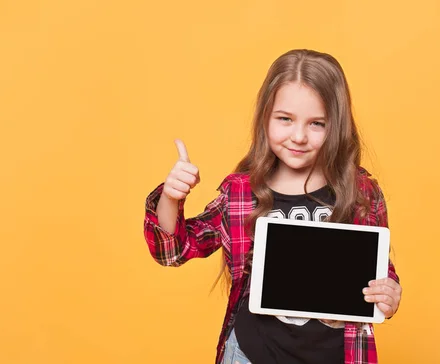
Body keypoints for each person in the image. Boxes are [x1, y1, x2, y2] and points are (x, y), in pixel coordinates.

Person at [143, 49, 403, 364]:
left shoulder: (361, 192)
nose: (299, 136)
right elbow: (174, 251)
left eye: (317, 123)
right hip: (252, 355)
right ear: (265, 116)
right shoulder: (240, 193)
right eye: (285, 119)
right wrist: (172, 196)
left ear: (336, 125)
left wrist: (389, 294)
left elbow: (379, 270)